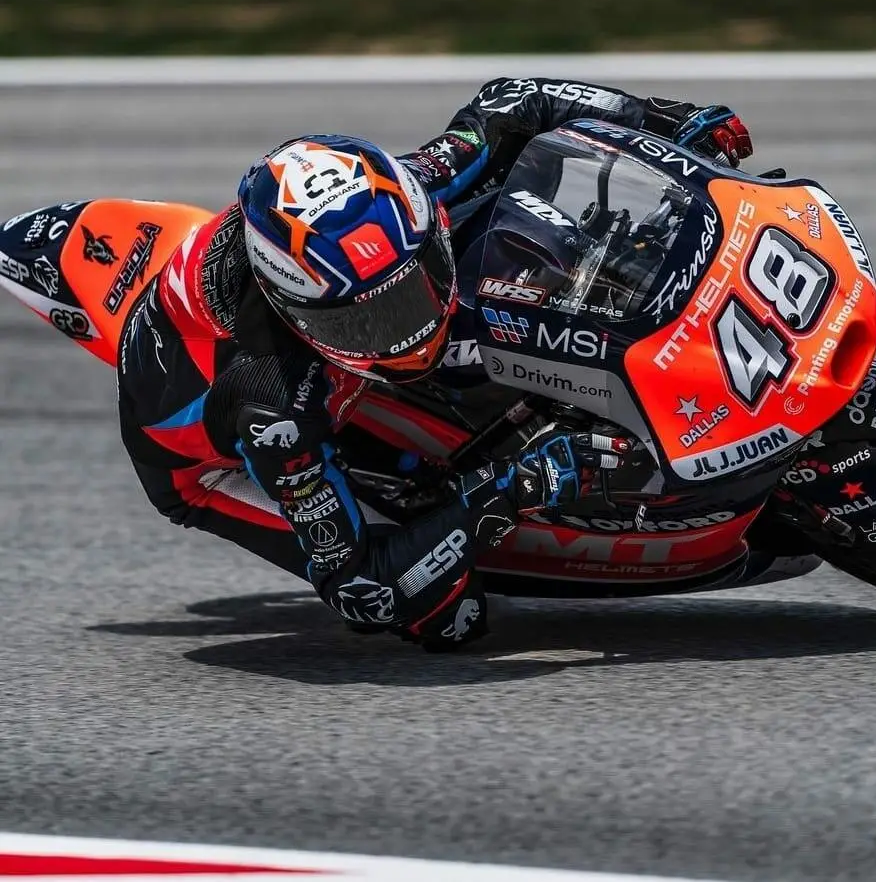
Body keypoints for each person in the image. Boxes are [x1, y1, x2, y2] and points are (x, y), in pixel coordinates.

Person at [115, 77, 754, 650]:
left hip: (303, 324)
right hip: (210, 461)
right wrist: (522, 481)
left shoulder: (409, 197)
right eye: (366, 321)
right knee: (433, 614)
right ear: (298, 310)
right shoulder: (272, 402)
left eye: (415, 282)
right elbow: (358, 582)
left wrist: (666, 119)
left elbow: (514, 101)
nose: (410, 330)